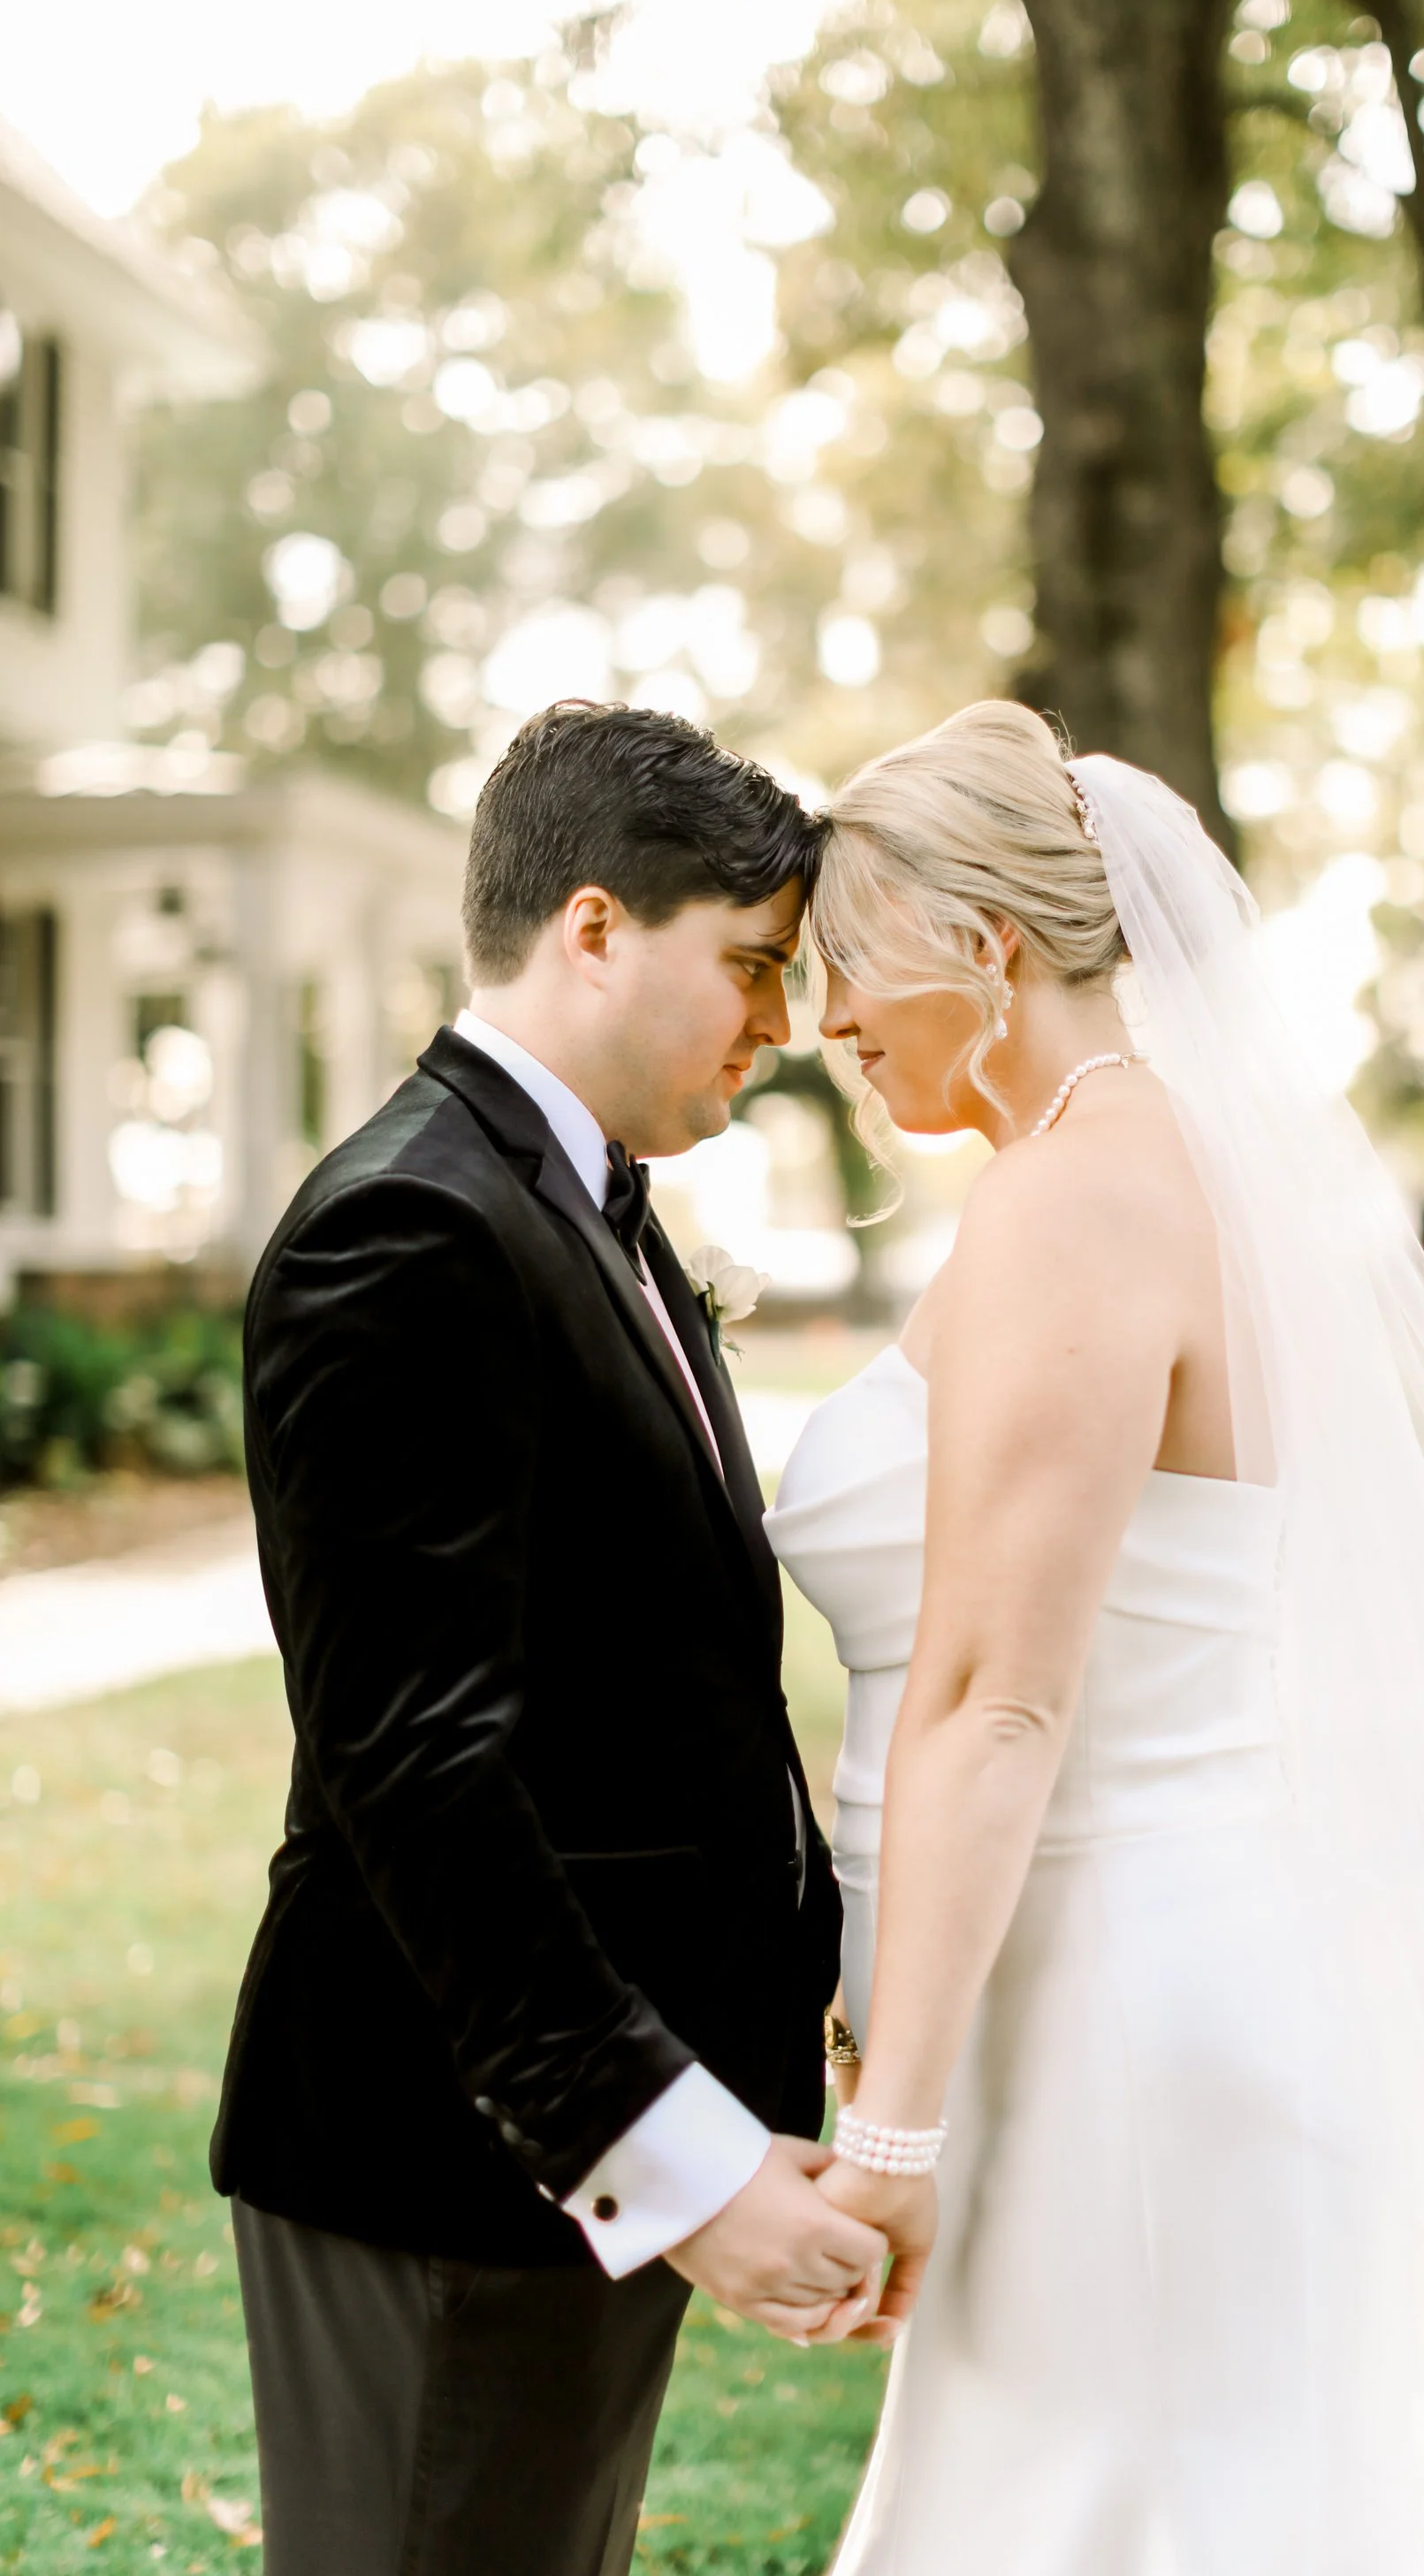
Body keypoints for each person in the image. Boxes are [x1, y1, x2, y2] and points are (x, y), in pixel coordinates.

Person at [765, 698, 1424, 2573]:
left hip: (1125, 2003)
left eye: (849, 964)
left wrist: (890, 2137)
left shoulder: (1076, 1203)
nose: (824, 1021)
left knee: (1127, 2518)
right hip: (1125, 1972)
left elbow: (995, 1704)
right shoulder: (1152, 1172)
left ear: (985, 952)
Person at [211, 701, 885, 2576]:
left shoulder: (588, 1214)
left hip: (574, 2140)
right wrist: (667, 2158)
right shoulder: (409, 1233)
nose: (781, 1026)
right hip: (454, 2149)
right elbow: (415, 1769)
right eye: (749, 966)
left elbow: (657, 1695)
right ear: (594, 926)